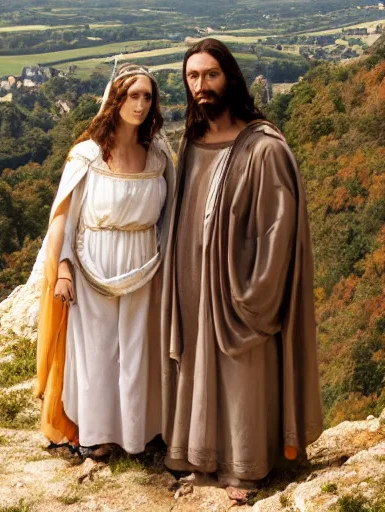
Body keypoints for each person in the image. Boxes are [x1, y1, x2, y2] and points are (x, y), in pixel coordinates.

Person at [159, 38, 323, 486]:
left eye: (210, 75)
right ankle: (203, 458)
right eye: (192, 77)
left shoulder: (264, 147)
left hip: (242, 288)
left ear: (230, 78)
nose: (201, 86)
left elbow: (278, 231)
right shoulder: (191, 143)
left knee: (243, 376)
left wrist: (252, 292)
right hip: (194, 288)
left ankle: (246, 470)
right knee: (201, 370)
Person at [35, 63, 177, 459]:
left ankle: (140, 432)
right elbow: (63, 218)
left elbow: (170, 217)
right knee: (97, 353)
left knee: (137, 351)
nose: (141, 104)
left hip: (144, 265)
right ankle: (97, 435)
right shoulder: (88, 156)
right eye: (133, 95)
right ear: (116, 100)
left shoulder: (158, 157)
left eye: (147, 96)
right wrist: (62, 270)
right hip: (92, 264)